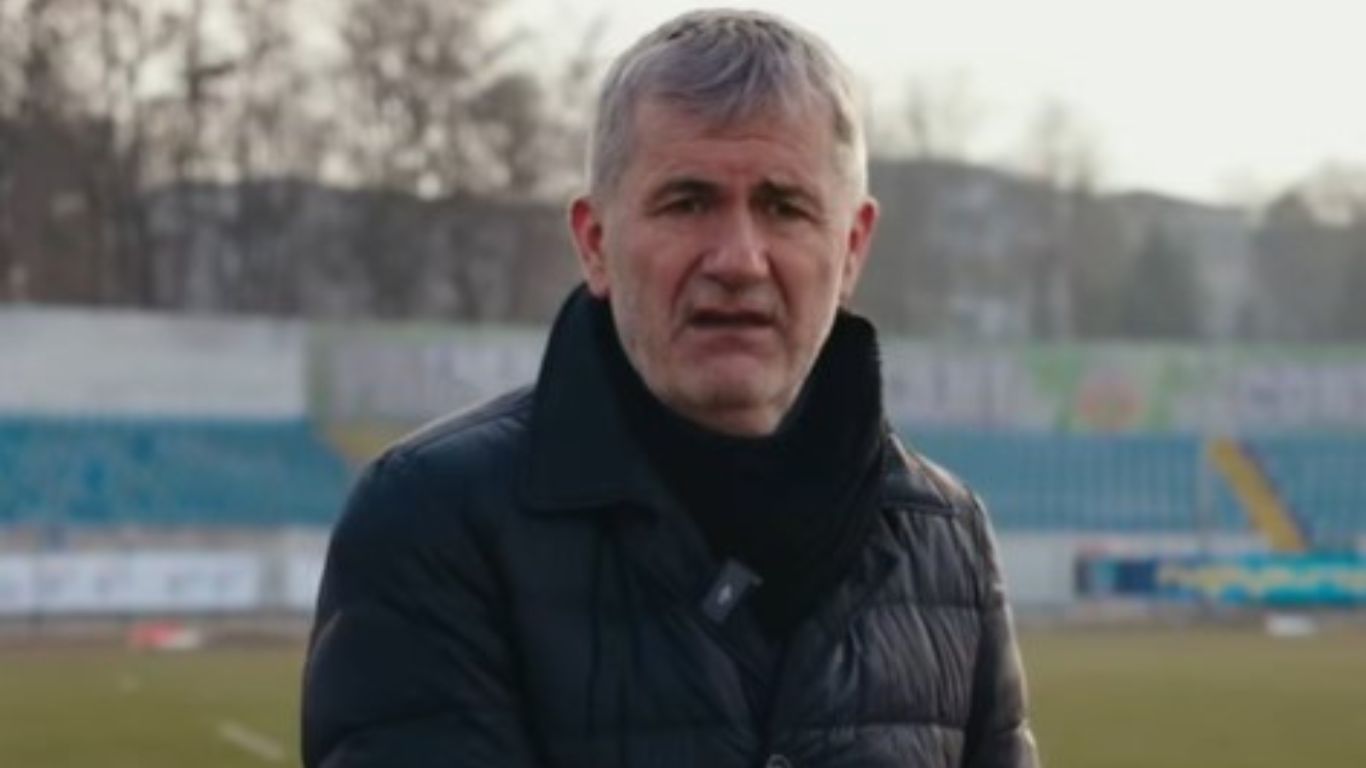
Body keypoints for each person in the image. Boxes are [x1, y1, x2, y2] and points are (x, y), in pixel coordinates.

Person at [301, 9, 1038, 767]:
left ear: (851, 248)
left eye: (784, 207)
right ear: (595, 243)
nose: (739, 260)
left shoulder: (946, 536)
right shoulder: (433, 518)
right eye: (688, 203)